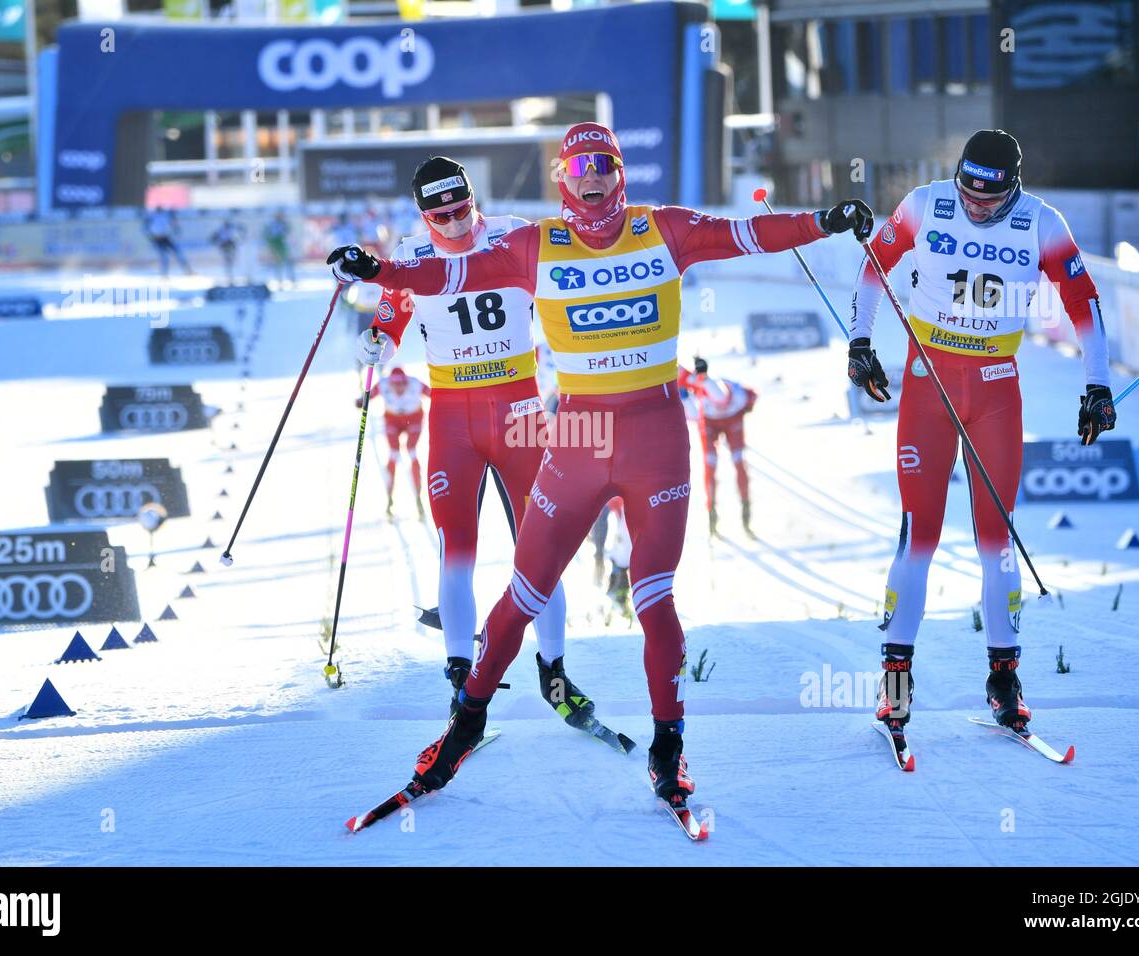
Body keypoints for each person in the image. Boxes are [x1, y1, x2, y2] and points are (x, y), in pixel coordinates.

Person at [330, 122, 872, 810]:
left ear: (621, 174)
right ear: (564, 178)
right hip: (578, 434)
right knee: (520, 590)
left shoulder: (661, 227)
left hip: (653, 435)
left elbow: (746, 235)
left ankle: (666, 751)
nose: (593, 179)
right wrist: (377, 276)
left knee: (654, 596)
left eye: (606, 165)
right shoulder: (533, 244)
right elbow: (442, 276)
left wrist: (825, 221)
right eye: (581, 167)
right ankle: (464, 726)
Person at [847, 128, 1115, 747]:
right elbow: (873, 268)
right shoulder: (925, 202)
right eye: (967, 193)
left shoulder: (1042, 223)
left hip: (996, 389)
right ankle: (895, 689)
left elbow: (1084, 302)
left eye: (988, 201)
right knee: (920, 534)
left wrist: (1096, 386)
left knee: (996, 539)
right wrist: (860, 344)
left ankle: (1004, 680)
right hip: (927, 383)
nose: (974, 206)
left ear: (1012, 189)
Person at [352, 156, 588, 723]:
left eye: (461, 211)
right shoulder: (408, 256)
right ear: (421, 214)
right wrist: (374, 345)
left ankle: (553, 675)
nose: (454, 225)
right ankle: (461, 679)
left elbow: (574, 284)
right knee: (454, 550)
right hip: (453, 418)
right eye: (440, 217)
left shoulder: (513, 235)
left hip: (520, 410)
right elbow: (387, 326)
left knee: (541, 548)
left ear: (472, 199)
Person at [677, 357, 758, 537]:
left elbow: (742, 396)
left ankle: (746, 514)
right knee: (710, 466)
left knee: (739, 463)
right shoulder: (699, 400)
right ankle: (712, 516)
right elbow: (676, 371)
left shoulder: (737, 396)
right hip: (709, 422)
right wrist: (685, 393)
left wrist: (701, 375)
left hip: (733, 419)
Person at [359, 366, 432, 519]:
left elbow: (433, 394)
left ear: (406, 383)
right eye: (395, 385)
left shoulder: (414, 384)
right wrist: (361, 401)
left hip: (414, 418)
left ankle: (418, 495)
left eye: (402, 385)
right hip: (392, 419)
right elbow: (369, 395)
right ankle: (389, 496)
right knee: (393, 454)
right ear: (390, 384)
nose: (399, 389)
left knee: (411, 450)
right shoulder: (384, 385)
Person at [143, 207, 192, 278]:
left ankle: (188, 270)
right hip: (157, 239)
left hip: (166, 237)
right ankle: (164, 274)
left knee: (178, 253)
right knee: (164, 257)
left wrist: (176, 229)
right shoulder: (151, 215)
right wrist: (150, 236)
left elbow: (173, 222)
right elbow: (145, 227)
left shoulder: (166, 214)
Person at [262, 212, 295, 286]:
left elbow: (288, 231)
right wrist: (271, 245)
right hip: (276, 245)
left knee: (287, 262)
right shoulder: (272, 225)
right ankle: (280, 280)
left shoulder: (283, 224)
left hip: (282, 246)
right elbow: (267, 235)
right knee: (278, 263)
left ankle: (291, 278)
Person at [210, 218, 245, 285]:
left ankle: (231, 275)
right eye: (226, 225)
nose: (227, 226)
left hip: (230, 245)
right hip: (225, 245)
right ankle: (230, 277)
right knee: (228, 261)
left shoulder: (232, 228)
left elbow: (241, 228)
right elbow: (214, 238)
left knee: (231, 261)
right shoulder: (220, 230)